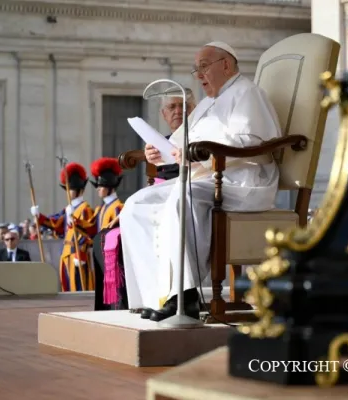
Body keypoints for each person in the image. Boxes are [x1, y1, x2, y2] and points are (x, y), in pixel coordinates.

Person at [120, 41, 282, 322]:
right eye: (196, 69)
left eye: (204, 67)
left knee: (184, 195)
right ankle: (155, 297)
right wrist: (157, 153)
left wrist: (202, 154)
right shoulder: (206, 104)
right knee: (136, 205)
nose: (198, 75)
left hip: (242, 180)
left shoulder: (248, 93)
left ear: (226, 65)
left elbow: (253, 143)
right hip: (206, 178)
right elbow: (178, 143)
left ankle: (185, 296)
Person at [30, 162, 96, 292]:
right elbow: (56, 224)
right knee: (67, 286)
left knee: (80, 287)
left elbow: (89, 232)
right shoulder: (68, 209)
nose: (68, 192)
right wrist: (39, 216)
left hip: (77, 253)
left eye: (70, 189)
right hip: (66, 252)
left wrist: (81, 253)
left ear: (79, 190)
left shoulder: (85, 209)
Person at [74, 157, 125, 310]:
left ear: (109, 186)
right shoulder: (101, 208)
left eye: (100, 185)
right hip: (101, 251)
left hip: (112, 254)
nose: (97, 189)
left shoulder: (118, 207)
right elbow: (92, 229)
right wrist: (75, 222)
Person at [156, 90, 197, 182]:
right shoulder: (160, 142)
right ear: (164, 114)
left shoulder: (201, 138)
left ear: (194, 110)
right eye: (172, 107)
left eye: (183, 106)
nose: (178, 111)